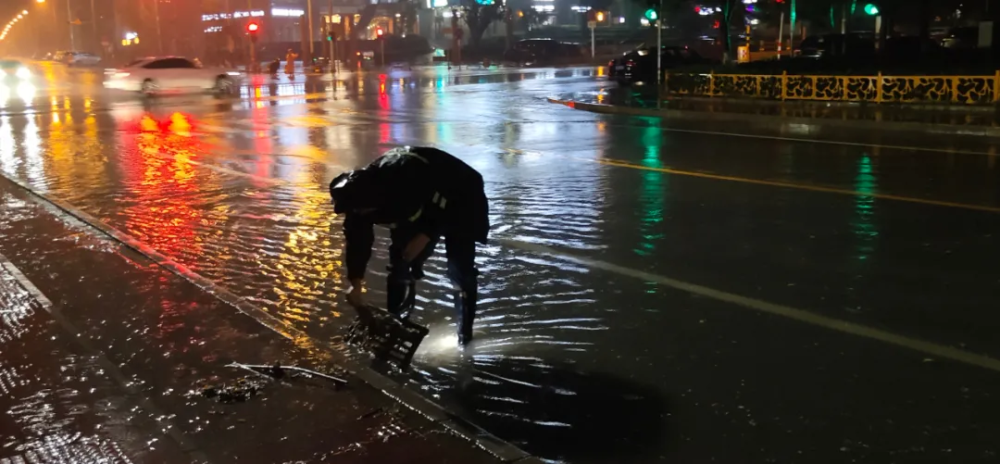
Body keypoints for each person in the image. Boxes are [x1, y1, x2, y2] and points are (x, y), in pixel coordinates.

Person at [330, 147, 489, 346]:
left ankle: (465, 338)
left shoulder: (405, 180)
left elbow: (442, 204)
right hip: (418, 205)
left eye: (362, 210)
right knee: (399, 266)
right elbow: (357, 242)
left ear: (375, 201)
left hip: (462, 195)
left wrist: (425, 235)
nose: (359, 214)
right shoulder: (358, 201)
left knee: (459, 269)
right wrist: (355, 281)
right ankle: (394, 330)